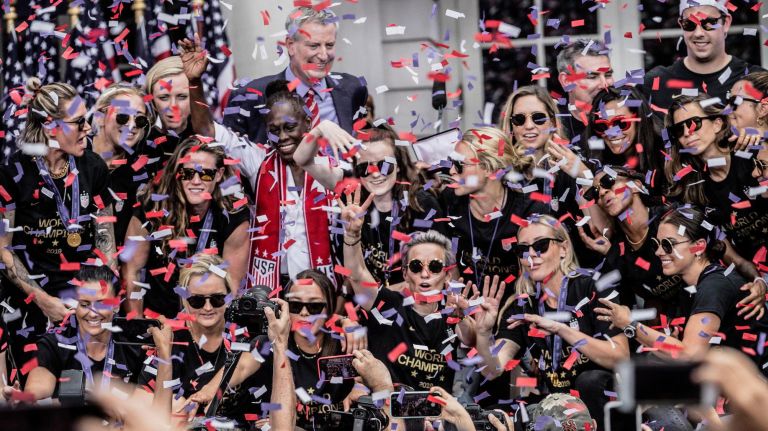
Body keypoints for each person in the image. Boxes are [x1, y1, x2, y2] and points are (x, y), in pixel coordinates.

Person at [0, 78, 116, 378]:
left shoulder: (93, 167)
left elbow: (106, 241)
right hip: (30, 303)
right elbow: (3, 248)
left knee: (83, 392)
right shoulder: (14, 172)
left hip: (86, 303)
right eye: (78, 123)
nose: (88, 129)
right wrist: (43, 301)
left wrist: (98, 299)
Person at [468, 214, 629, 429]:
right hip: (560, 406)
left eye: (541, 245)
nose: (531, 255)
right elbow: (492, 369)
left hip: (607, 400)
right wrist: (483, 333)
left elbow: (621, 356)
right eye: (523, 250)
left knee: (589, 381)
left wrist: (561, 329)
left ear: (564, 248)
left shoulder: (593, 287)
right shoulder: (522, 305)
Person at [595, 206, 768, 366]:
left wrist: (630, 324)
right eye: (657, 244)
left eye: (668, 245)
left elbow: (689, 354)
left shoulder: (714, 286)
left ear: (699, 247)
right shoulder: (689, 290)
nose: (659, 252)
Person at [184, 270, 357, 429]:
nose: (305, 313)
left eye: (314, 307)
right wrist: (203, 395)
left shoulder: (343, 343)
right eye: (296, 306)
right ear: (285, 307)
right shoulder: (269, 342)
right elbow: (240, 368)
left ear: (329, 309)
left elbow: (366, 385)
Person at [340, 187, 474, 390]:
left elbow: (471, 338)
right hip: (390, 414)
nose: (425, 274)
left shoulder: (454, 314)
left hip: (436, 417)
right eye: (416, 266)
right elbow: (357, 275)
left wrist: (463, 317)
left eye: (435, 266)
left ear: (447, 275)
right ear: (405, 273)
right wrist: (352, 234)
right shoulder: (389, 305)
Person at [293, 119, 445, 288]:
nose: (375, 174)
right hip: (363, 303)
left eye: (384, 165)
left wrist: (379, 296)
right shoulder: (351, 187)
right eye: (364, 168)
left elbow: (435, 274)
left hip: (409, 305)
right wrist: (321, 128)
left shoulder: (422, 204)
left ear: (399, 165)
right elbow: (302, 159)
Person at [182, 7, 367, 145]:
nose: (324, 55)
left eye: (329, 45)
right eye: (314, 46)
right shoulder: (250, 95)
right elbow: (215, 142)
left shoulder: (352, 89)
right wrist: (194, 82)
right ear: (290, 45)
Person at [122, 138, 249, 318]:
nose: (196, 181)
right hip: (157, 322)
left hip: (206, 320)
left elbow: (232, 286)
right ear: (177, 172)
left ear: (219, 174)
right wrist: (139, 328)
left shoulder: (233, 215)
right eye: (188, 173)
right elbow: (131, 272)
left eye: (206, 174)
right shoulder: (152, 206)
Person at [135, 253, 259, 427]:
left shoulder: (244, 333)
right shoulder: (170, 336)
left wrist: (209, 390)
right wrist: (173, 407)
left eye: (217, 299)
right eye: (197, 301)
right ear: (185, 300)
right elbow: (139, 400)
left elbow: (257, 353)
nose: (208, 308)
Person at [498, 85, 604, 268]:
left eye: (538, 118)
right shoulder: (503, 175)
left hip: (580, 275)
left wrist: (584, 175)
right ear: (511, 127)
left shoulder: (574, 162)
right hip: (526, 280)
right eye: (519, 119)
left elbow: (602, 231)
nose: (529, 125)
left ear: (553, 123)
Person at [2, 266, 142, 402]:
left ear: (116, 304)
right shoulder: (54, 343)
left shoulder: (133, 346)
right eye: (84, 304)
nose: (93, 313)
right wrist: (23, 399)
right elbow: (38, 389)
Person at [664, 94, 768, 276]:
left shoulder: (751, 155)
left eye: (694, 123)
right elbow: (734, 258)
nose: (688, 133)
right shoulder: (693, 191)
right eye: (679, 130)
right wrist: (760, 283)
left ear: (717, 124)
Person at [444, 127, 548, 286]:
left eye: (459, 165)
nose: (451, 171)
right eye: (451, 162)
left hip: (517, 303)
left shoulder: (528, 208)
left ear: (488, 168)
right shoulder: (450, 201)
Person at [642, 0, 765, 114]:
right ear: (681, 24)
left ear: (726, 23)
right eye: (689, 24)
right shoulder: (654, 83)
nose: (698, 33)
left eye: (709, 23)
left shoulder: (757, 80)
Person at [91, 83, 155, 245]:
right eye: (123, 117)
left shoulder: (142, 178)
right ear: (100, 116)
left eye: (140, 119)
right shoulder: (72, 156)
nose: (132, 126)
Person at [584, 86, 666, 197]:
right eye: (602, 126)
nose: (611, 133)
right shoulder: (597, 159)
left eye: (621, 123)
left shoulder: (666, 152)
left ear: (639, 120)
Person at [555, 39, 615, 142]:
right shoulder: (552, 123)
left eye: (608, 75)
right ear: (566, 81)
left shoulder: (625, 116)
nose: (604, 84)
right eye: (592, 76)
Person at [143, 56, 195, 170]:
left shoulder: (212, 138)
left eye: (182, 97)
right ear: (152, 101)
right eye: (164, 97)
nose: (173, 106)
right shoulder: (139, 143)